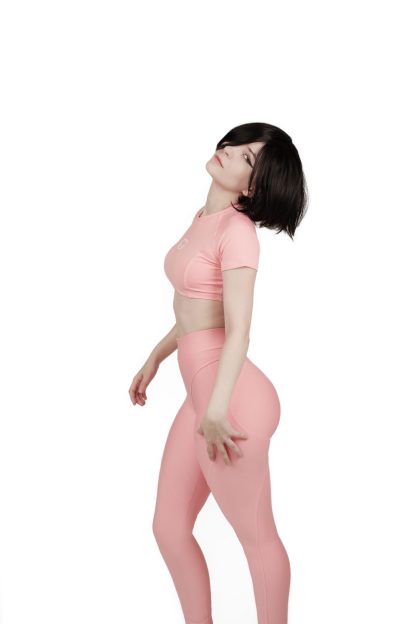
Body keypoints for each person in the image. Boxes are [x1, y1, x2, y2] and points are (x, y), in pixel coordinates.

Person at [129, 121, 308, 624]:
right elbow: (196, 312)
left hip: (230, 404)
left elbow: (238, 330)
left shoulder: (238, 233)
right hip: (202, 393)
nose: (230, 150)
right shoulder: (203, 218)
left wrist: (215, 409)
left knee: (256, 537)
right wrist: (156, 356)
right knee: (169, 528)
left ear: (252, 188)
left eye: (248, 158)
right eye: (239, 143)